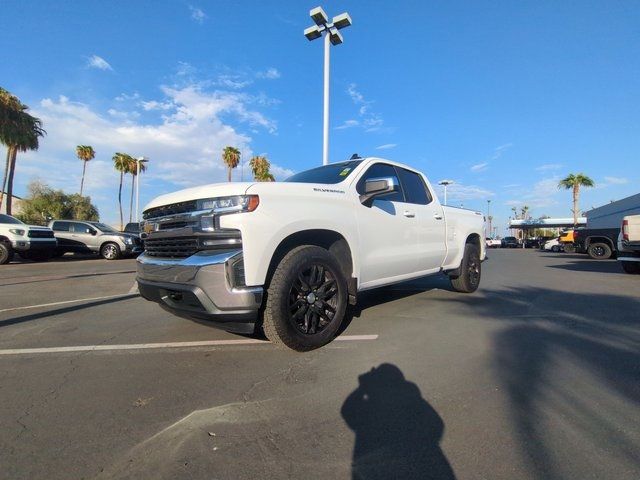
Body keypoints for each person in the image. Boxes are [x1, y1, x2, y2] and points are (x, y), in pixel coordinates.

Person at [341, 364, 456, 480]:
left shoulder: (371, 409)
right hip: (423, 465)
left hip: (381, 468)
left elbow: (347, 410)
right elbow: (436, 426)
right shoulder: (413, 400)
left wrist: (363, 386)